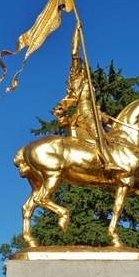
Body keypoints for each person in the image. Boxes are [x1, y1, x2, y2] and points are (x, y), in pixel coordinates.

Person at [53, 23, 119, 172]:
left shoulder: (89, 84)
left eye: (83, 65)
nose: (82, 66)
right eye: (80, 65)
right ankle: (108, 162)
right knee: (99, 135)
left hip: (92, 113)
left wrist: (101, 115)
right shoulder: (76, 79)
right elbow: (75, 53)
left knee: (110, 136)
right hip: (84, 114)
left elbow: (93, 104)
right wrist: (76, 33)